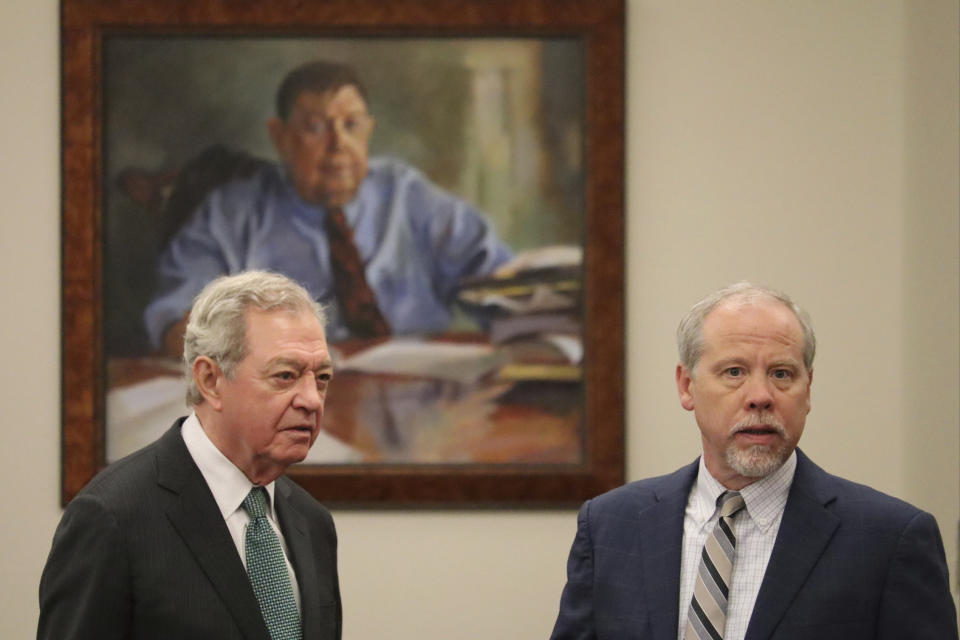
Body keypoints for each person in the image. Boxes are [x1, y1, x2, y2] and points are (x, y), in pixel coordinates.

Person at [549, 282, 957, 640]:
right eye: (734, 372)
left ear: (808, 389)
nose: (761, 395)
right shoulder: (609, 526)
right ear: (687, 386)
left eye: (781, 374)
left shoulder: (890, 540)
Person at [39, 271, 342, 639]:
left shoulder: (312, 521)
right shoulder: (112, 518)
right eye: (285, 376)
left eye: (321, 377)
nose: (311, 399)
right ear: (210, 380)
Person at [144, 59, 513, 355]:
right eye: (316, 127)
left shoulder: (408, 196)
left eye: (352, 125)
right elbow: (179, 319)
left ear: (369, 130)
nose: (339, 144)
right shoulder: (231, 213)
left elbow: (502, 286)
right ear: (281, 137)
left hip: (419, 392)